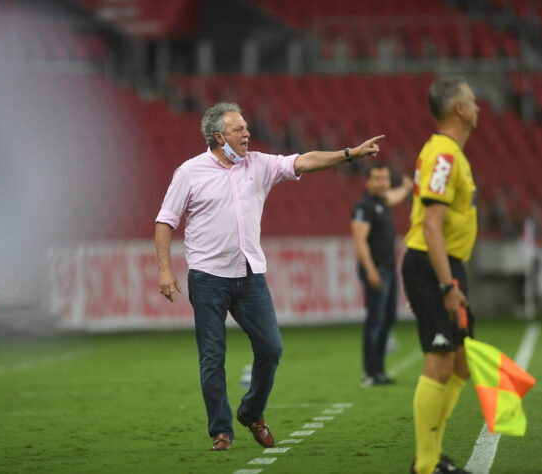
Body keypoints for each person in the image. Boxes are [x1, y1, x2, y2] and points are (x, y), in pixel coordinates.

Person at [155, 102, 383, 451]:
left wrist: (348, 153)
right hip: (207, 278)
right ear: (219, 136)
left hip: (250, 275)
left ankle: (251, 412)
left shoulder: (259, 164)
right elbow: (165, 221)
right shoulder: (189, 172)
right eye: (238, 129)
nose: (247, 133)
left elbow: (304, 160)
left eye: (246, 128)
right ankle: (221, 430)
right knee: (212, 356)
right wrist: (165, 269)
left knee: (271, 348)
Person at [401, 76, 479, 474]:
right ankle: (427, 464)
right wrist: (447, 285)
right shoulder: (445, 155)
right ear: (460, 109)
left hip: (446, 265)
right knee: (440, 361)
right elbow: (431, 225)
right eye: (472, 100)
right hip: (433, 265)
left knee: (462, 364)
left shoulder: (449, 153)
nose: (478, 106)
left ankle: (429, 456)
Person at [351, 163, 413, 387]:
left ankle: (379, 369)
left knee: (388, 319)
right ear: (367, 181)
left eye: (385, 179)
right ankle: (371, 371)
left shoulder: (382, 201)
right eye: (377, 179)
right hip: (376, 269)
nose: (382, 183)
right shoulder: (364, 206)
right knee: (375, 320)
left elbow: (395, 196)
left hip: (388, 268)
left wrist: (406, 188)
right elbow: (359, 241)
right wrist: (370, 270)